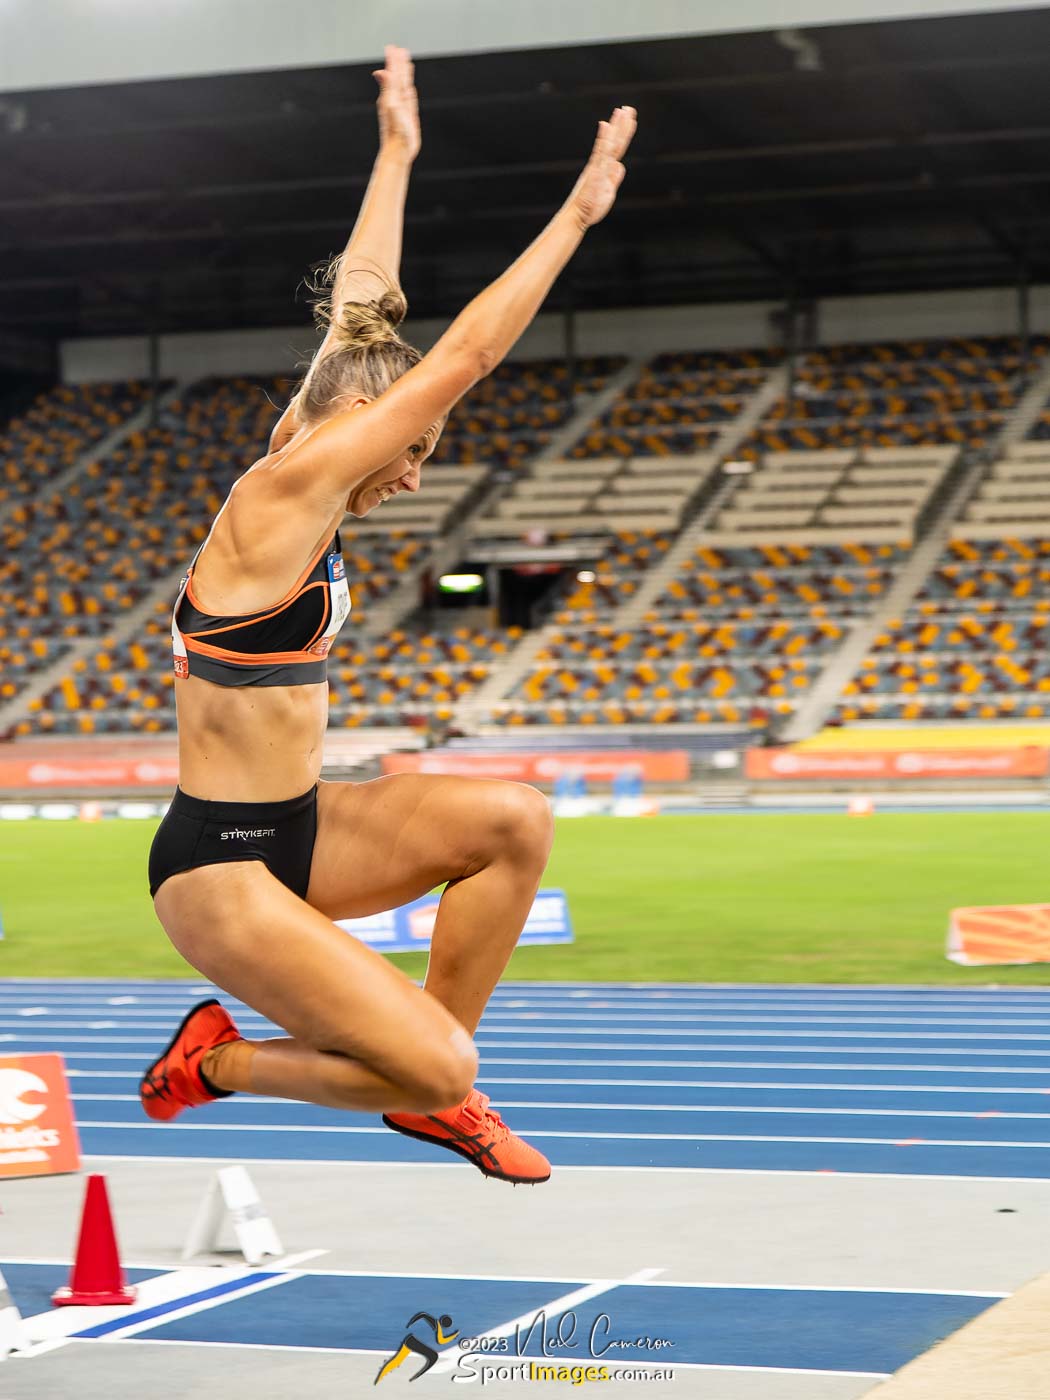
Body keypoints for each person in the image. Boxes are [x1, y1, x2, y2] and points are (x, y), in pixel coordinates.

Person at [140, 45, 637, 1186]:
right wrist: (575, 214)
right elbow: (460, 354)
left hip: (302, 831)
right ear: (363, 421)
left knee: (513, 819)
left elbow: (361, 316)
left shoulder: (301, 451)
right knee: (427, 1058)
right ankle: (221, 1063)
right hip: (221, 870)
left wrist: (396, 150)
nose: (414, 471)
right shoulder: (279, 494)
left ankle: (436, 1090)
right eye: (411, 446)